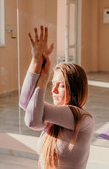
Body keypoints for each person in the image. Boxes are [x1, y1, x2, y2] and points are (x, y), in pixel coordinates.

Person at [19, 26, 94, 169]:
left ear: (74, 88)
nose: (53, 90)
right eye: (52, 84)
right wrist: (35, 62)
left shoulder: (82, 118)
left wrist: (43, 78)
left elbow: (32, 121)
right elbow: (25, 103)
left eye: (61, 85)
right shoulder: (51, 121)